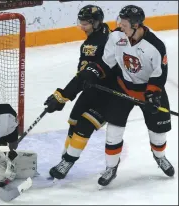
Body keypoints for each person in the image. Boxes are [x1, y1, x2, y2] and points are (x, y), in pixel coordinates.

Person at [77, 5, 175, 186]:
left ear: (136, 26)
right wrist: (92, 72)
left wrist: (152, 96)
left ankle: (159, 157)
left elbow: (159, 74)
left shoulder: (156, 45)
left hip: (150, 91)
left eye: (124, 24)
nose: (120, 27)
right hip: (123, 89)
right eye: (119, 23)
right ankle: (111, 168)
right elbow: (106, 62)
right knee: (113, 131)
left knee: (158, 133)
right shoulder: (116, 37)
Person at [44, 5, 113, 180]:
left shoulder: (96, 44)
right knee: (74, 121)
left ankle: (67, 161)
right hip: (92, 89)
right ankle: (66, 158)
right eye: (80, 22)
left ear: (96, 23)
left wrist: (62, 96)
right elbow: (85, 76)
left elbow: (86, 75)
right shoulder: (103, 34)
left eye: (85, 23)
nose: (82, 26)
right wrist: (64, 96)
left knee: (84, 125)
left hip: (109, 93)